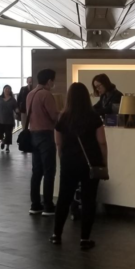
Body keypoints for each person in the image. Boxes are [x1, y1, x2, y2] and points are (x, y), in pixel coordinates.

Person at [49, 82, 108, 251]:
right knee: (89, 200)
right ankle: (84, 238)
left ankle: (56, 235)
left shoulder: (63, 117)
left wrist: (63, 158)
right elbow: (102, 142)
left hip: (69, 162)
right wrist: (104, 162)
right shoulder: (94, 117)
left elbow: (58, 143)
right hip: (91, 163)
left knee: (64, 199)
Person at [27, 69, 59, 216]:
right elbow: (54, 116)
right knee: (49, 171)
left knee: (37, 171)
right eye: (53, 80)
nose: (54, 83)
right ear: (49, 81)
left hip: (33, 135)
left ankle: (35, 204)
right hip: (46, 135)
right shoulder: (46, 94)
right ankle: (48, 205)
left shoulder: (30, 94)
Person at [0, 85, 18, 153]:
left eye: (8, 89)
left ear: (10, 90)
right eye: (6, 89)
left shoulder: (12, 99)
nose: (7, 90)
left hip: (9, 120)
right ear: (3, 90)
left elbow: (16, 108)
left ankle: (7, 147)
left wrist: (17, 111)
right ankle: (3, 141)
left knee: (8, 134)